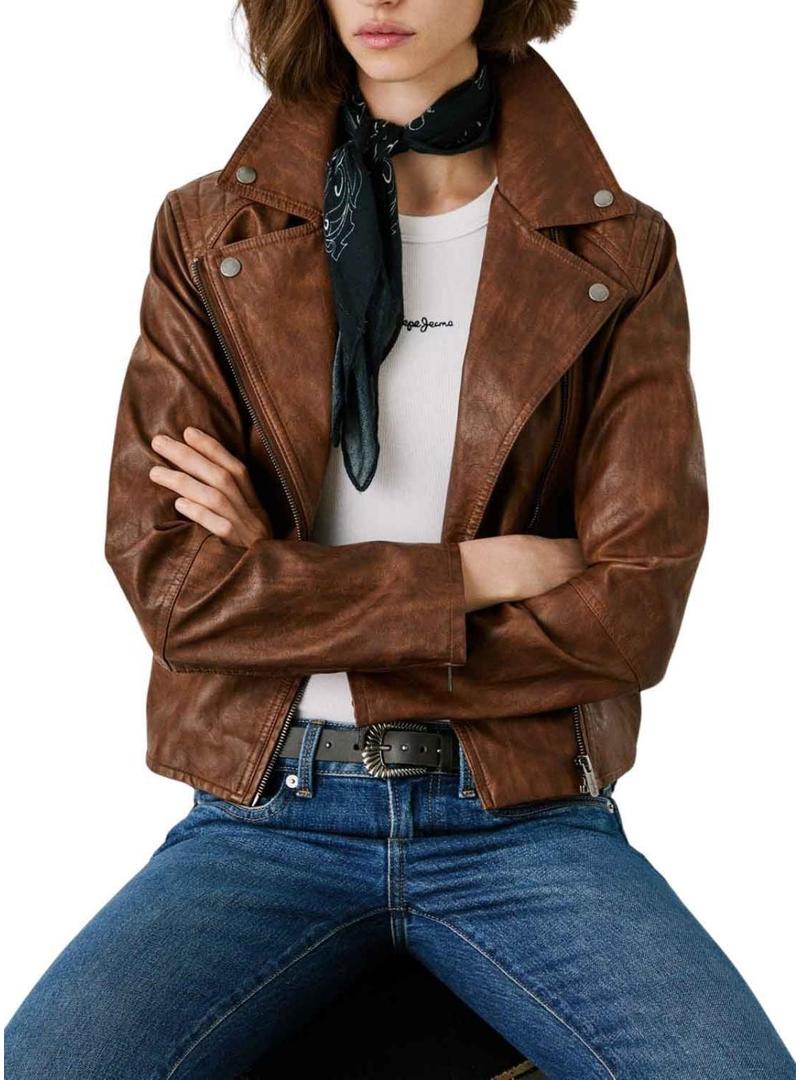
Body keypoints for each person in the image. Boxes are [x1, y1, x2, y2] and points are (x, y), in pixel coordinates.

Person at [5, 1, 794, 1077]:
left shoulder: (618, 250)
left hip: (519, 817)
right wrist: (471, 574)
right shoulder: (211, 235)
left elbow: (630, 615)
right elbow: (178, 592)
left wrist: (282, 590)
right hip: (266, 813)